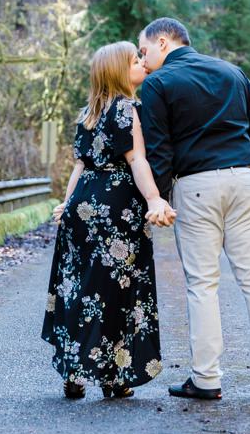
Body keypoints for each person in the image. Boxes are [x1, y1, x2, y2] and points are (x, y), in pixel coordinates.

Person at [135, 16, 250, 401]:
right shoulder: (232, 72)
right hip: (244, 180)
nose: (144, 59)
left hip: (197, 184)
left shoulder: (158, 83)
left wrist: (159, 199)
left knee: (203, 284)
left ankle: (207, 379)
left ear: (164, 42)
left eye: (145, 50)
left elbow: (160, 148)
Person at [43, 41, 173, 400]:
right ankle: (113, 377)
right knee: (115, 293)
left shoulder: (88, 113)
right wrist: (153, 198)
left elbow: (80, 166)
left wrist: (66, 204)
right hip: (117, 210)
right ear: (119, 70)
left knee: (80, 288)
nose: (142, 65)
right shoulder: (129, 110)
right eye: (135, 61)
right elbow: (137, 161)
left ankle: (74, 368)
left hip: (82, 208)